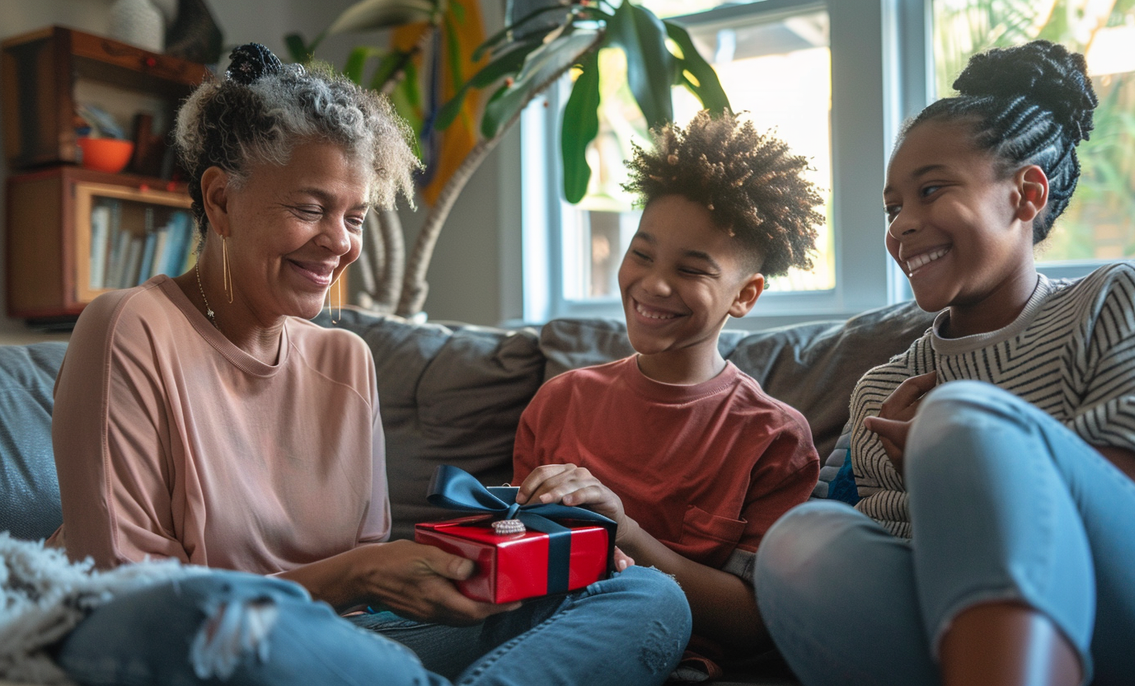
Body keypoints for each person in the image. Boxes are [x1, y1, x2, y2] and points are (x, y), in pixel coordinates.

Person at [48, 43, 689, 686]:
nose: (341, 243)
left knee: (649, 598)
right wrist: (357, 574)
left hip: (341, 644)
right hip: (211, 640)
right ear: (219, 201)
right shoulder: (131, 326)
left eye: (353, 216)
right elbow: (133, 593)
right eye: (309, 209)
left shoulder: (345, 358)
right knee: (227, 620)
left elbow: (365, 581)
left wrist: (493, 562)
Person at [754, 40, 1135, 686]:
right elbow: (892, 563)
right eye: (892, 207)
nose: (902, 226)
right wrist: (936, 473)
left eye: (931, 190)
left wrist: (956, 456)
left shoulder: (1122, 296)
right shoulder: (883, 387)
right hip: (966, 634)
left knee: (960, 420)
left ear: (1025, 194)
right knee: (800, 542)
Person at [512, 111, 824, 662]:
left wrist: (624, 534)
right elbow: (520, 561)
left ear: (745, 295)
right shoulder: (560, 400)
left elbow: (756, 623)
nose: (653, 284)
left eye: (692, 270)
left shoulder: (773, 438)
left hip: (654, 636)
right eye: (642, 254)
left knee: (649, 596)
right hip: (534, 623)